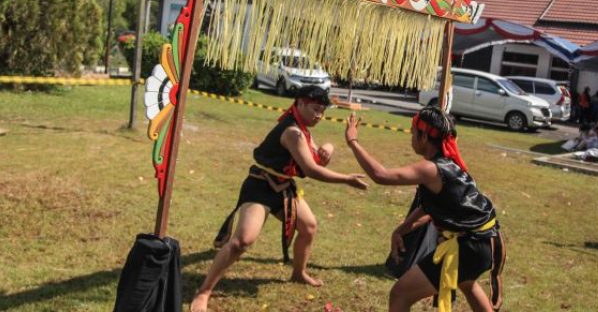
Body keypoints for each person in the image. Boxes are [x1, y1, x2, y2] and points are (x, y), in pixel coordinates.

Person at [190, 86, 368, 312]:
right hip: (261, 186)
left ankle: (298, 273)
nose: (319, 116)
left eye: (323, 112)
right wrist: (346, 179)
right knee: (242, 241)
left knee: (309, 227)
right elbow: (311, 170)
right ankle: (204, 291)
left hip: (284, 188)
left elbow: (317, 160)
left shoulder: (302, 129)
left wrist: (329, 148)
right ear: (300, 104)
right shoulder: (292, 132)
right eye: (315, 109)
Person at [344, 107, 505, 312]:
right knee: (466, 281)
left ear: (424, 136)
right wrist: (402, 229)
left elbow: (380, 175)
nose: (411, 137)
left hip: (470, 245)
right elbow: (431, 207)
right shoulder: (449, 164)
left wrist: (352, 141)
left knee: (400, 294)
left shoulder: (430, 169)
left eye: (413, 132)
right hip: (486, 241)